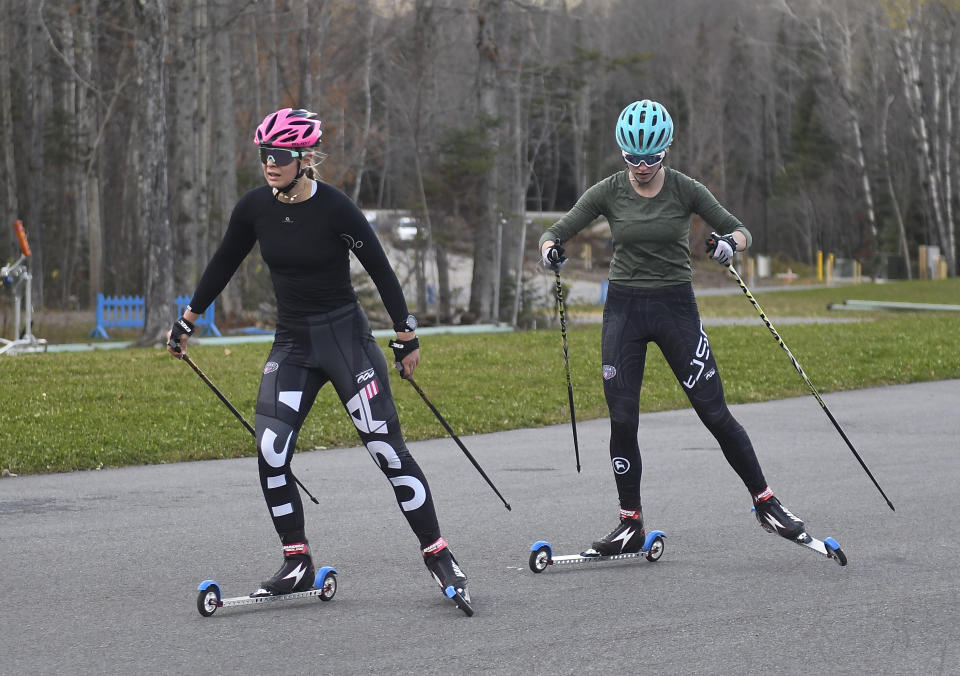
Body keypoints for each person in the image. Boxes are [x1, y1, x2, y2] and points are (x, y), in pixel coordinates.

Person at [167, 107, 469, 606]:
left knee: (386, 451)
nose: (270, 163)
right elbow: (223, 262)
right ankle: (297, 561)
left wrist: (405, 334)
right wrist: (189, 318)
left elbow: (380, 269)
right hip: (293, 344)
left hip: (344, 339)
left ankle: (438, 553)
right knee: (269, 450)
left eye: (281, 154)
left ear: (305, 158)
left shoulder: (335, 209)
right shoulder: (254, 209)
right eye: (265, 154)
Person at [538, 99, 808, 557]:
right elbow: (555, 231)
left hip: (675, 309)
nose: (641, 168)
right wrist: (550, 250)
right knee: (622, 418)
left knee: (714, 412)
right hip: (624, 311)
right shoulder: (608, 191)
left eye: (651, 158)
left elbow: (741, 231)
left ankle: (766, 502)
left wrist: (728, 245)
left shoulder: (685, 189)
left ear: (666, 151)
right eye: (631, 158)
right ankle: (630, 523)